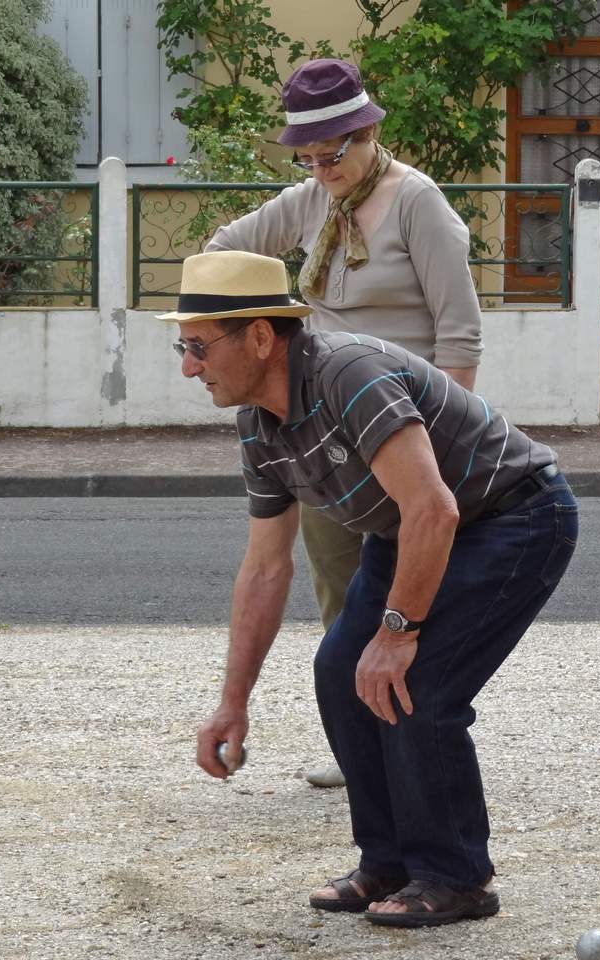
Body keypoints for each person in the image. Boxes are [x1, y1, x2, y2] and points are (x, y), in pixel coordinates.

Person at [156, 250, 578, 927]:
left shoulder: (349, 375)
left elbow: (434, 508)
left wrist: (398, 632)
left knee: (418, 685)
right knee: (339, 671)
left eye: (199, 347)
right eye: (184, 347)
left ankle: (458, 876)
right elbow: (265, 568)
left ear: (260, 336)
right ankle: (389, 863)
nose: (188, 367)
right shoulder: (259, 426)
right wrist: (232, 703)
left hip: (512, 516)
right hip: (408, 530)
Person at [204, 58, 484, 788]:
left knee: (405, 589)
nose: (321, 170)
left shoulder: (417, 203)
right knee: (341, 588)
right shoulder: (308, 201)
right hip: (324, 421)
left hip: (403, 423)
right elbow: (220, 253)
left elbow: (459, 335)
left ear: (367, 134)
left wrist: (444, 443)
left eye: (332, 155)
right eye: (307, 158)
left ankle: (412, 739)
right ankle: (360, 742)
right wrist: (266, 324)